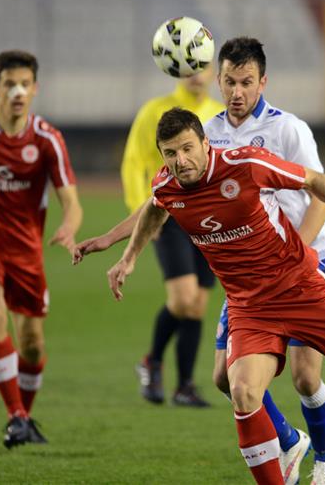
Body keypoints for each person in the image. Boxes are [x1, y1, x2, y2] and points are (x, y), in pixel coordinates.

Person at [75, 107, 325, 485]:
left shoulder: (245, 164)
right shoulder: (167, 186)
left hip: (301, 289)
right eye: (170, 154)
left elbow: (312, 178)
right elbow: (154, 209)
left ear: (205, 144)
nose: (181, 161)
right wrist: (126, 257)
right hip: (250, 306)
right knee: (241, 391)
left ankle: (316, 450)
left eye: (187, 149)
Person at [205, 37, 325, 484]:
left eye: (246, 81)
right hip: (250, 272)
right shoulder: (208, 134)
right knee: (225, 378)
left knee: (304, 377)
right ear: (217, 80)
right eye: (229, 81)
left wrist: (296, 254)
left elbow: (319, 192)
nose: (237, 91)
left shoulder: (288, 129)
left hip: (308, 256)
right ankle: (287, 439)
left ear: (263, 81)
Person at [0, 50, 83, 448]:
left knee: (32, 345)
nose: (17, 91)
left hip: (27, 252)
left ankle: (23, 418)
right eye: (9, 84)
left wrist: (68, 227)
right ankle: (15, 416)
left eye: (24, 84)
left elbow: (72, 201)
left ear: (35, 89)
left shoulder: (46, 138)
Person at [121, 67, 222, 406]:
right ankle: (151, 360)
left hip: (208, 218)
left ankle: (185, 386)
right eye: (190, 67)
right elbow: (133, 163)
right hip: (169, 214)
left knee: (196, 306)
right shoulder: (154, 111)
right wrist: (143, 215)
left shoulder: (218, 114)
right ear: (176, 67)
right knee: (182, 298)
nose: (197, 74)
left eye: (203, 66)